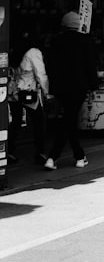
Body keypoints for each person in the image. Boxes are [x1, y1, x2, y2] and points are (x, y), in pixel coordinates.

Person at [43, 11, 98, 170]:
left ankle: (67, 156)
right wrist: (93, 86)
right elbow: (90, 65)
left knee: (68, 119)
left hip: (60, 87)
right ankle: (60, 156)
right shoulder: (84, 40)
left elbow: (50, 65)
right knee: (69, 119)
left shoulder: (56, 41)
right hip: (78, 87)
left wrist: (51, 87)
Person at [9, 31, 49, 165]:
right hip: (28, 92)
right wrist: (47, 93)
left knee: (15, 121)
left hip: (14, 92)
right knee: (38, 122)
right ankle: (40, 152)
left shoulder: (16, 50)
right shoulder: (33, 52)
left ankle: (9, 151)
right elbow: (40, 74)